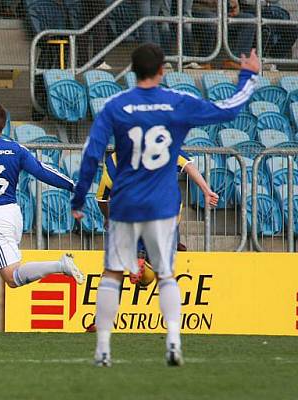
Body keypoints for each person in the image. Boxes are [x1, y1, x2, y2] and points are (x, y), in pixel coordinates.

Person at [71, 43, 260, 367]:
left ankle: (102, 349)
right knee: (167, 276)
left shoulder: (116, 105)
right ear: (162, 71)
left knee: (112, 275)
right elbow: (226, 109)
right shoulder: (176, 102)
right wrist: (248, 77)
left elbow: (92, 154)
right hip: (162, 206)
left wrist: (78, 198)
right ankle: (173, 341)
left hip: (126, 205)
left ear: (131, 71)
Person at [0, 103, 86, 338]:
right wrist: (73, 185)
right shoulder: (16, 148)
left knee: (12, 278)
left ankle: (60, 265)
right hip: (14, 213)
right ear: (4, 125)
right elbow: (43, 171)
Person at [192, 0, 255, 68]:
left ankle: (236, 61)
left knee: (249, 19)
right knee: (212, 20)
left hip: (223, 12)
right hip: (200, 9)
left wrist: (235, 6)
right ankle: (203, 62)